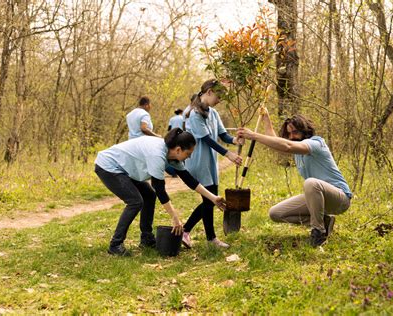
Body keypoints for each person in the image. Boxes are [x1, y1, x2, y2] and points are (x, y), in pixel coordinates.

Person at [95, 128, 226, 256]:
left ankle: (146, 239)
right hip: (109, 166)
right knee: (135, 201)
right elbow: (160, 189)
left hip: (124, 168)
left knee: (149, 195)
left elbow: (189, 180)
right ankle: (115, 245)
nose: (189, 157)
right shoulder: (157, 154)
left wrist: (213, 198)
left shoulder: (172, 155)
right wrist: (175, 217)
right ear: (178, 149)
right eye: (188, 154)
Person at [237, 112, 352, 246]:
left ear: (305, 130)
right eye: (289, 134)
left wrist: (253, 136)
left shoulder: (316, 143)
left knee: (311, 183)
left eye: (295, 132)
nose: (292, 137)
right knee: (276, 213)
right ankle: (325, 222)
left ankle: (318, 233)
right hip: (318, 197)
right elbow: (278, 142)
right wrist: (266, 118)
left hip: (339, 198)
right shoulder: (297, 152)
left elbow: (287, 145)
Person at [182, 79, 244, 249]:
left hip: (210, 163)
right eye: (219, 96)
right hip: (199, 162)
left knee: (210, 200)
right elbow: (207, 139)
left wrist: (234, 140)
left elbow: (222, 135)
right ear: (209, 91)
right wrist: (228, 154)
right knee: (210, 200)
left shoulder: (213, 113)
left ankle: (198, 235)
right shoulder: (193, 113)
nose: (220, 100)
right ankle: (198, 234)